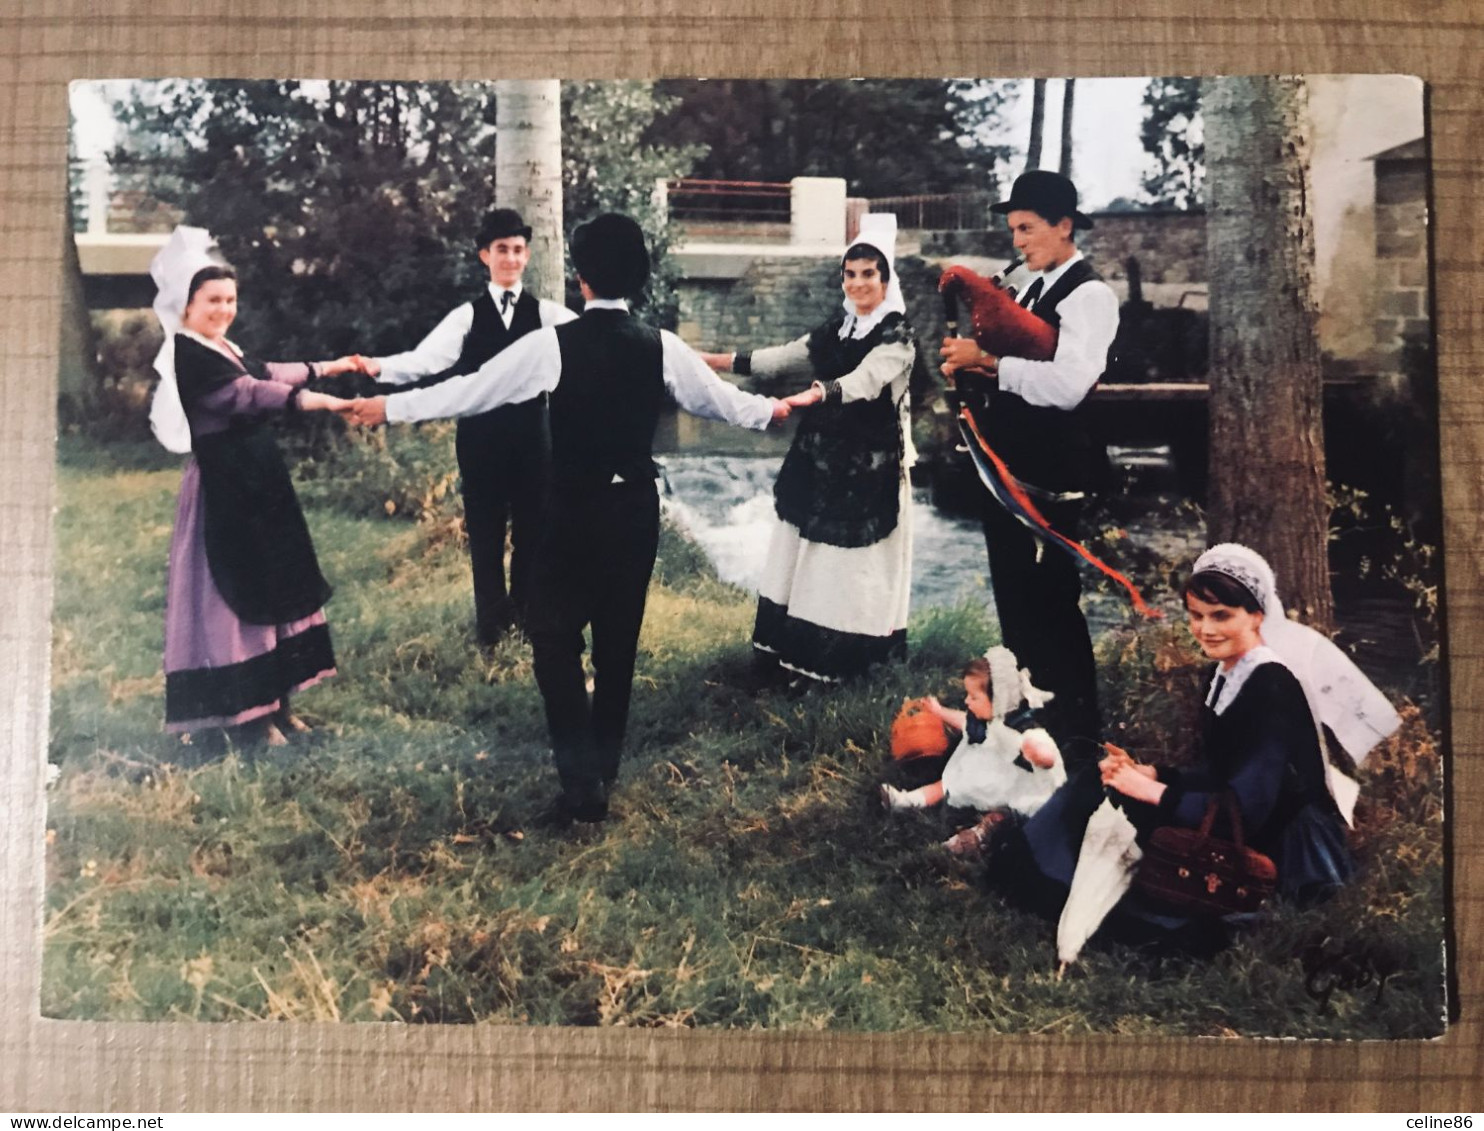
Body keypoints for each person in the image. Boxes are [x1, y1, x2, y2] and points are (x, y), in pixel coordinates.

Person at [342, 213, 791, 822]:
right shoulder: (665, 346)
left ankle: (584, 784)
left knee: (552, 640)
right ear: (635, 277)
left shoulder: (552, 344)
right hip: (633, 511)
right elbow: (730, 406)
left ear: (580, 279)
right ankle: (597, 773)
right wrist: (785, 408)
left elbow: (471, 390)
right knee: (616, 649)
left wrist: (388, 408)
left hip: (573, 510)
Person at [990, 543, 1401, 936]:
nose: (1204, 630)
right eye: (1195, 615)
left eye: (1220, 616)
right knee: (1093, 781)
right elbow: (1220, 771)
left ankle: (1041, 884)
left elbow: (1248, 808)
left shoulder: (1272, 687)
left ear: (1257, 616)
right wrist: (1154, 772)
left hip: (1280, 843)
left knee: (1110, 800)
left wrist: (1151, 791)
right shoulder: (1225, 673)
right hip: (1239, 814)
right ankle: (1035, 875)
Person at [147, 227, 359, 746]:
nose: (224, 309)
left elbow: (268, 370)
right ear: (187, 304)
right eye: (213, 300)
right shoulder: (185, 353)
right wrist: (326, 403)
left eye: (230, 300)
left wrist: (331, 367)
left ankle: (278, 705)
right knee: (235, 595)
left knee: (274, 585)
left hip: (257, 482)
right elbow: (249, 393)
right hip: (224, 489)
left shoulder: (220, 345)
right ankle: (249, 718)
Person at [940, 171, 1120, 750]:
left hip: (1051, 475)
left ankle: (1076, 736)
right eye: (1013, 229)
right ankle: (1026, 729)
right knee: (1016, 603)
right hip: (1010, 468)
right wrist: (969, 367)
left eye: (1027, 228)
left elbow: (1068, 387)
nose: (1017, 241)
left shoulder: (1090, 296)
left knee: (1052, 606)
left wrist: (988, 362)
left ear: (1064, 226)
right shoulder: (1032, 286)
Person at [700, 214, 917, 684]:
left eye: (869, 274)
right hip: (819, 460)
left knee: (845, 566)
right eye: (851, 274)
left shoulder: (897, 336)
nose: (858, 283)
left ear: (885, 279)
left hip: (868, 470)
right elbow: (779, 358)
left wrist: (811, 395)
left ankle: (837, 664)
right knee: (803, 556)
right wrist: (705, 360)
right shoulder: (836, 329)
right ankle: (787, 657)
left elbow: (865, 381)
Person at [358, 209, 578, 645]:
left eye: (518, 250)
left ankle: (528, 622)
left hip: (535, 437)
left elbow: (595, 341)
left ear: (528, 256)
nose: (511, 259)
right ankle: (492, 631)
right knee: (486, 533)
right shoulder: (467, 316)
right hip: (480, 438)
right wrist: (377, 366)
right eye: (502, 250)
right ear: (485, 255)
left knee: (534, 530)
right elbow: (427, 360)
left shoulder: (549, 314)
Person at [880, 646, 1065, 855]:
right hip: (997, 772)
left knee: (1000, 818)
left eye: (973, 697)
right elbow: (964, 722)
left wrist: (1037, 753)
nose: (967, 701)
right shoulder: (992, 718)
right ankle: (905, 801)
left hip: (1026, 790)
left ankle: (968, 841)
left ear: (998, 700)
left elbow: (1047, 756)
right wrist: (939, 711)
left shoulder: (1023, 728)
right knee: (951, 781)